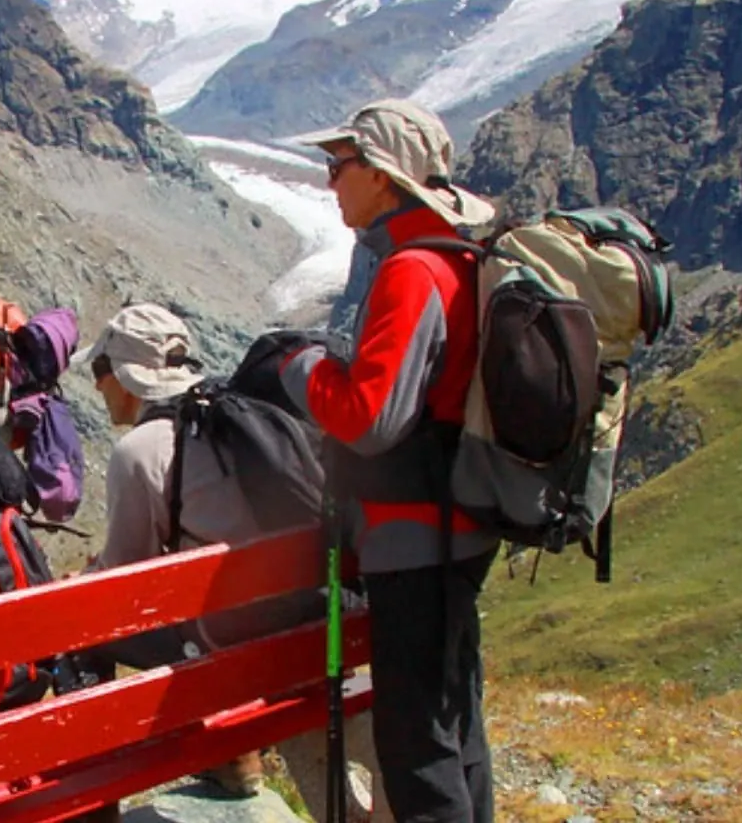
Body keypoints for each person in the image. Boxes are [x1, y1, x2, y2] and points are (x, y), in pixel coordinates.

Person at [281, 98, 501, 823]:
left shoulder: (410, 270)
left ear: (381, 176)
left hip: (414, 536)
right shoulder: (460, 257)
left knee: (415, 745)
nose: (330, 182)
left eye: (338, 166)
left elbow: (369, 419)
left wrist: (299, 367)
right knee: (454, 724)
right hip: (458, 521)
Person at [77, 305, 387, 820]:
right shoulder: (246, 413)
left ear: (128, 376)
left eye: (100, 372)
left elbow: (122, 591)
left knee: (79, 628)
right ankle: (237, 759)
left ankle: (111, 805)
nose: (98, 387)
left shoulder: (141, 449)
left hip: (235, 649)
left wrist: (87, 577)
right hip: (317, 624)